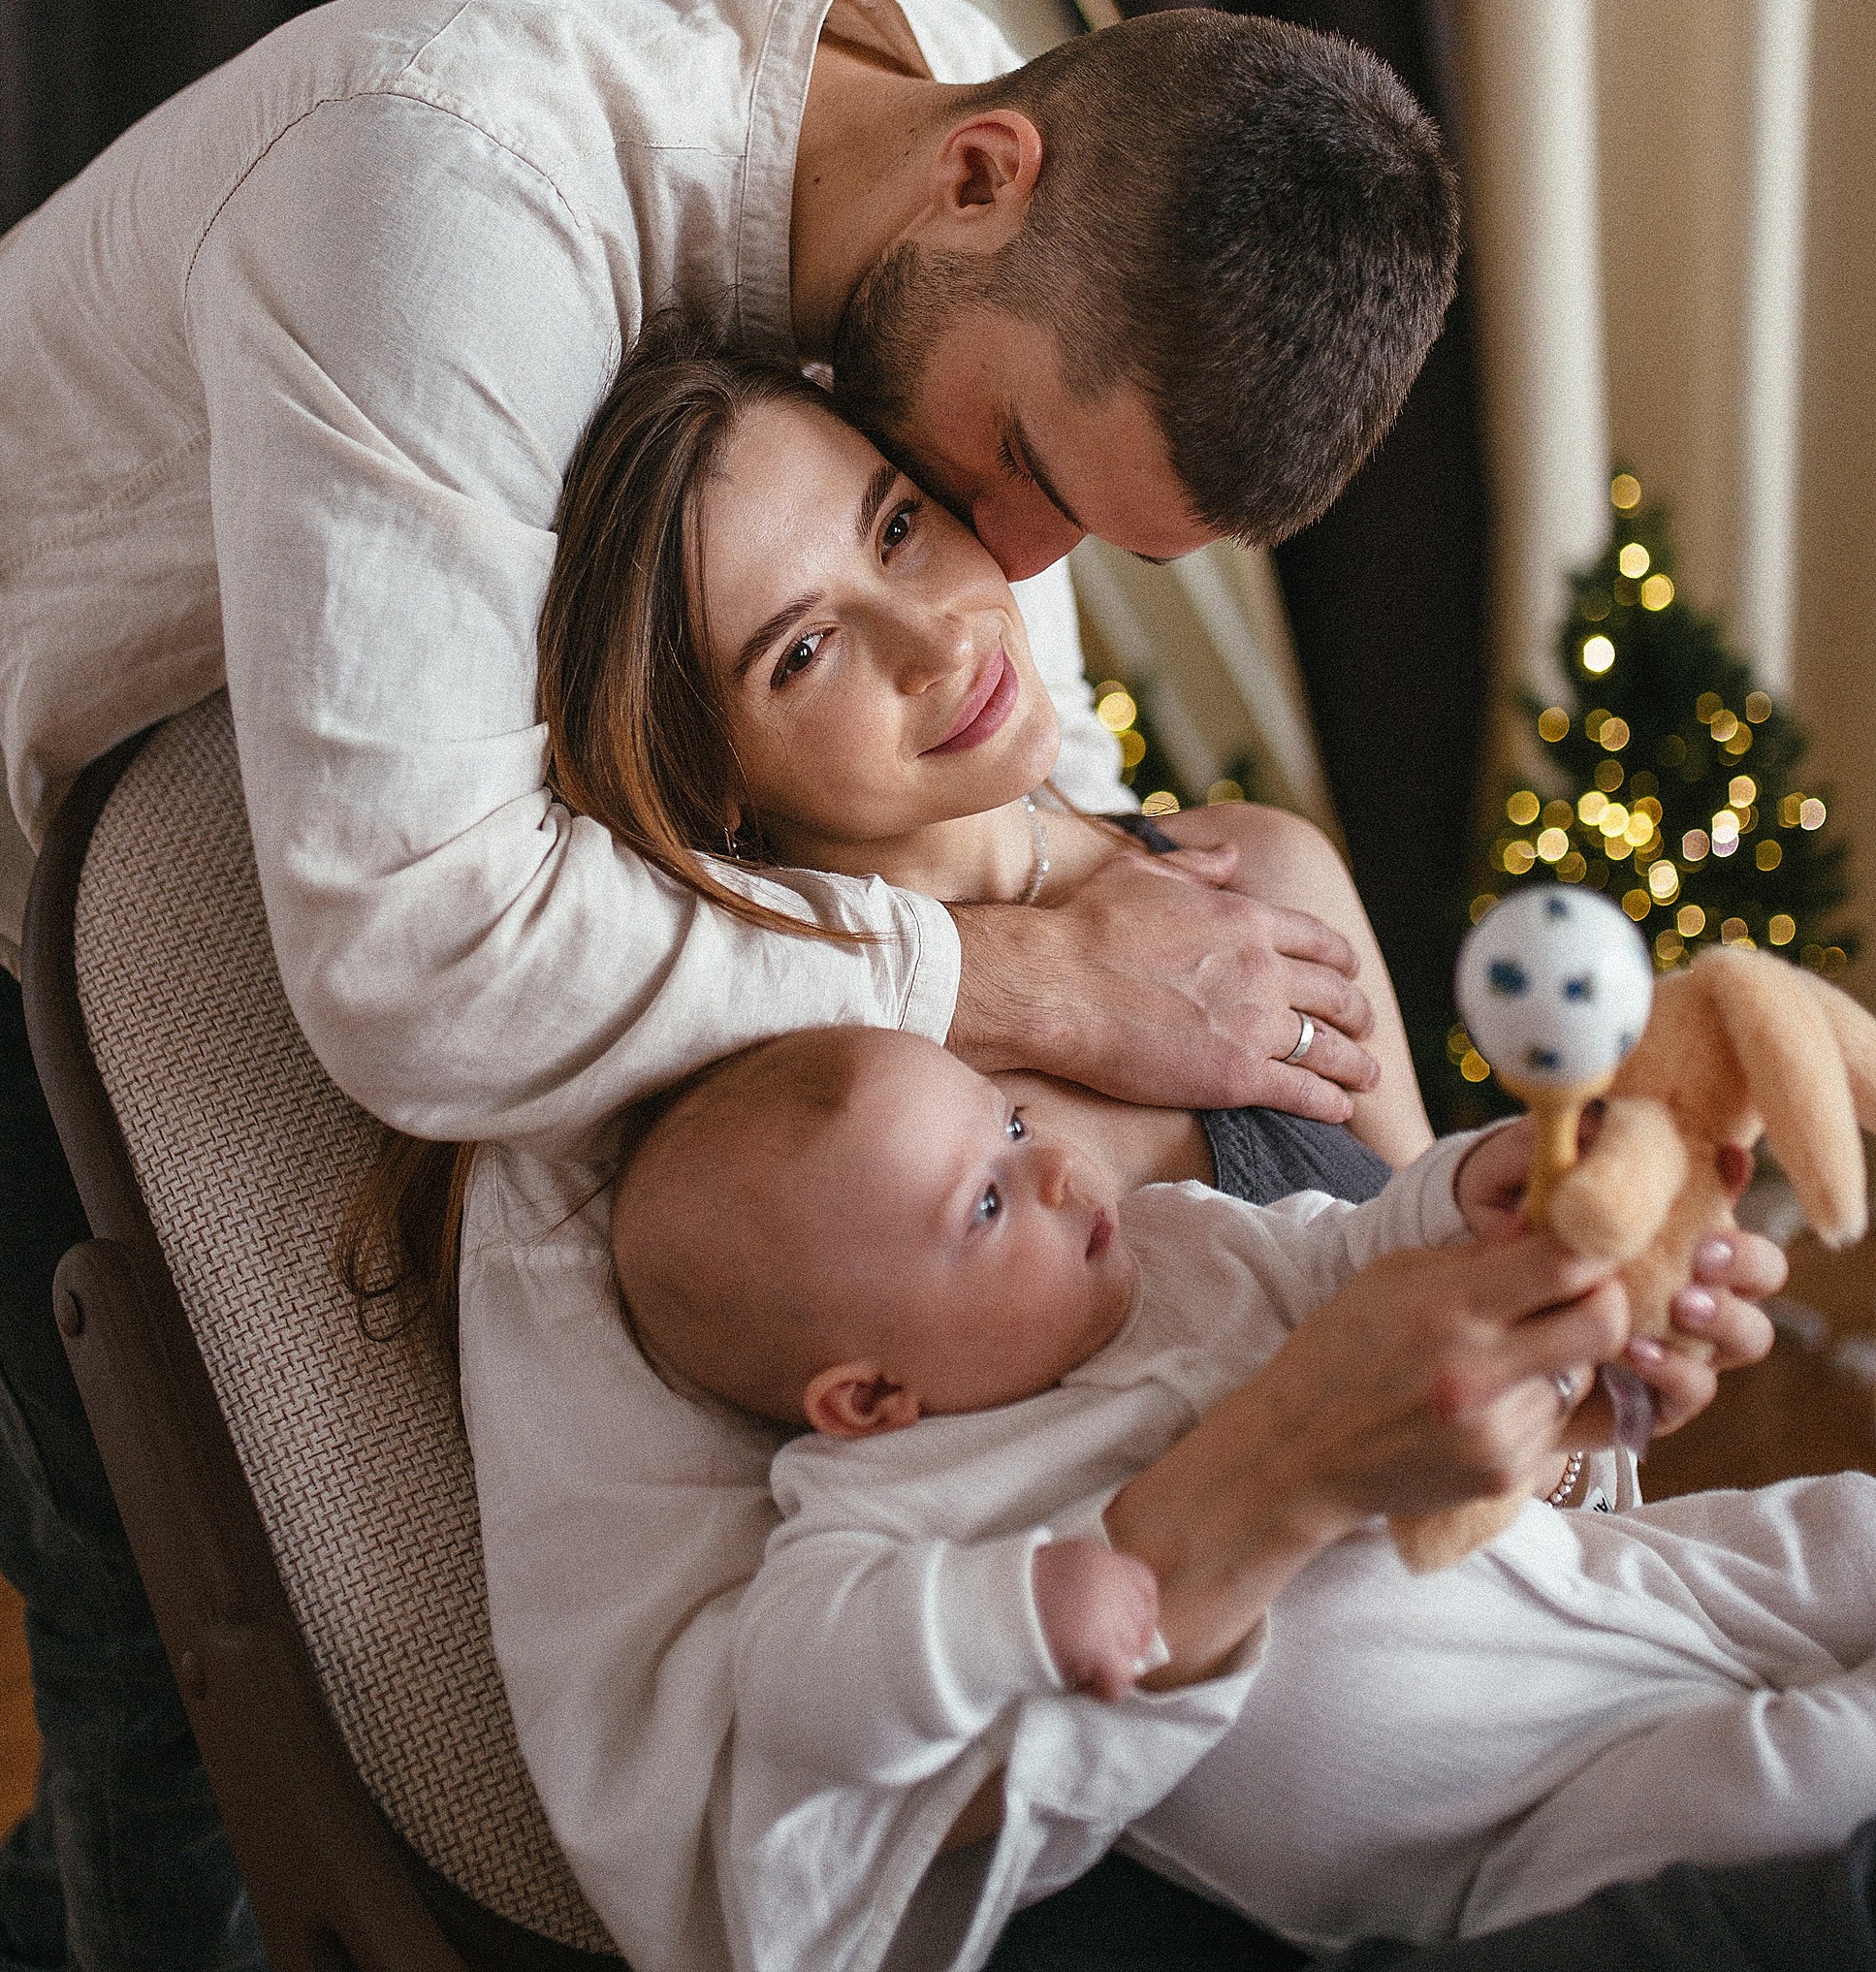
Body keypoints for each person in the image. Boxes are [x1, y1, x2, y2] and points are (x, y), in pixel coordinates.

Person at [450, 334, 1797, 1972]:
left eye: (896, 526)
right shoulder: (691, 1156)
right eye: (800, 652)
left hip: (1580, 1692)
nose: (935, 641)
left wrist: (1573, 1380)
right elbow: (742, 1850)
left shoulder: (1263, 883)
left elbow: (1500, 1417)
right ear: (705, 776)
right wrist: (1265, 1487)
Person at [608, 1022, 1876, 1972]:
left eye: (1011, 1126)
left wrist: (1467, 1186)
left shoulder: (1178, 1245)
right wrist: (1018, 1609)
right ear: (871, 1395)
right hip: (1516, 1820)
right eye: (985, 1204)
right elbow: (799, 1678)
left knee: (1840, 1532)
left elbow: (1348, 1252)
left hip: (1613, 1575)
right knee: (1787, 1791)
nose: (1059, 1171)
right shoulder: (886, 1500)